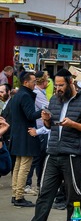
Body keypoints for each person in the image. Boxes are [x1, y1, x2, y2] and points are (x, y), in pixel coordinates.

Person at [16, 68, 81, 221]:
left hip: (72, 155)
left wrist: (73, 124)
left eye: (61, 85)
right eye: (57, 85)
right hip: (53, 153)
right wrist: (46, 119)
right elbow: (50, 126)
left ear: (71, 83)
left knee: (72, 196)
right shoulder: (54, 100)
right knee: (45, 194)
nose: (58, 88)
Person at [9, 72, 42, 207]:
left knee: (18, 165)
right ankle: (19, 196)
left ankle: (15, 194)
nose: (35, 83)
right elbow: (30, 115)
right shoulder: (25, 96)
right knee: (24, 167)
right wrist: (44, 111)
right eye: (33, 81)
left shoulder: (17, 95)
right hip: (26, 135)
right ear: (26, 82)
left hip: (17, 134)